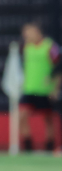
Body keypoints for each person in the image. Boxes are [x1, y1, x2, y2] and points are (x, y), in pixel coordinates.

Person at [18, 23, 60, 153]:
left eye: (29, 32)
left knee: (48, 119)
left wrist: (55, 88)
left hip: (45, 89)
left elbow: (59, 68)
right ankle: (28, 146)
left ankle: (49, 146)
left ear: (37, 32)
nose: (26, 36)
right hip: (29, 88)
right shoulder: (26, 47)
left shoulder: (50, 46)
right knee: (22, 116)